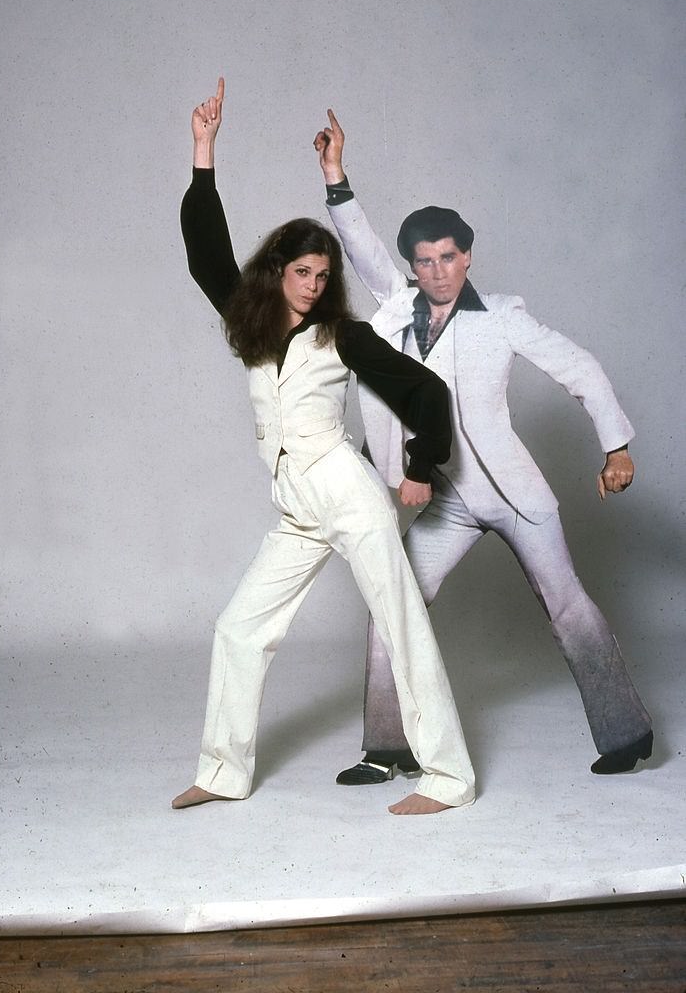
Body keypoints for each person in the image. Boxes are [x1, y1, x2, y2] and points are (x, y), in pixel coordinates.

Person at [313, 110, 653, 786]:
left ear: (467, 256)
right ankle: (387, 748)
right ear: (413, 265)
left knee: (568, 609)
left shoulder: (501, 316)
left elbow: (578, 367)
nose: (437, 271)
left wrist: (615, 448)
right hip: (448, 503)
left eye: (448, 257)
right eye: (424, 260)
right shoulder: (394, 309)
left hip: (519, 498)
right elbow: (362, 248)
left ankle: (628, 733)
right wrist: (335, 178)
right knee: (393, 603)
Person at [171, 78, 476, 816]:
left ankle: (450, 778)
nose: (312, 285)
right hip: (297, 506)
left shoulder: (346, 335)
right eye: (301, 272)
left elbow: (427, 395)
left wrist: (417, 468)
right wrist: (203, 155)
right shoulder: (253, 326)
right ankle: (224, 770)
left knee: (402, 628)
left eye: (323, 275)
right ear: (278, 271)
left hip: (348, 494)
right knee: (240, 630)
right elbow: (205, 253)